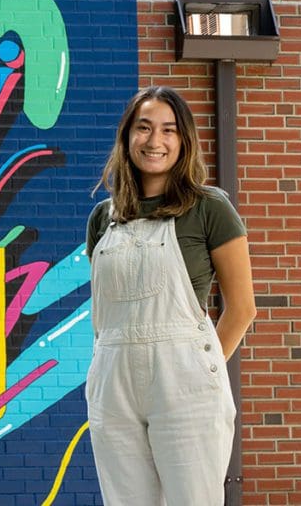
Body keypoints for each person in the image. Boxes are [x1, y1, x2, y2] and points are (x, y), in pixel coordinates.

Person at [85, 86, 256, 505]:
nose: (155, 141)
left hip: (186, 383)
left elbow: (242, 307)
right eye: (143, 128)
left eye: (169, 130)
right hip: (112, 381)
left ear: (184, 141)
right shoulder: (103, 218)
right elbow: (104, 310)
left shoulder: (208, 208)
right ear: (127, 137)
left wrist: (203, 364)